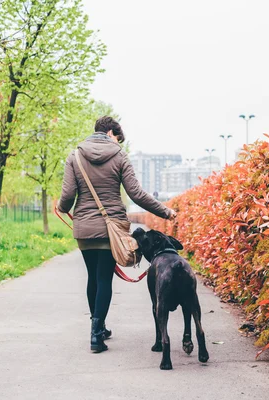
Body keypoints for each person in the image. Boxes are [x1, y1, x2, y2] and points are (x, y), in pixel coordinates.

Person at [57, 116, 176, 353]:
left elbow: (68, 195)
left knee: (93, 277)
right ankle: (97, 332)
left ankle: (97, 328)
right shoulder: (119, 155)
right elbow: (136, 194)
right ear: (111, 132)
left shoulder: (75, 155)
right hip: (111, 228)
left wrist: (61, 207)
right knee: (104, 279)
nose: (118, 142)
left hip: (85, 228)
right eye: (118, 138)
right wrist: (166, 212)